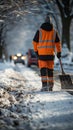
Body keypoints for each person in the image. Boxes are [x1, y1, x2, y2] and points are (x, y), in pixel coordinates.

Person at [32, 16, 62, 91]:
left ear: (44, 22)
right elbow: (58, 43)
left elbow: (34, 42)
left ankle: (45, 86)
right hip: (50, 55)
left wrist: (36, 51)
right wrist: (59, 52)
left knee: (43, 70)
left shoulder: (39, 31)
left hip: (41, 54)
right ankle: (51, 86)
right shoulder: (54, 32)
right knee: (50, 70)